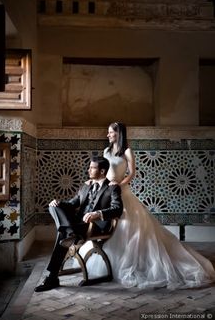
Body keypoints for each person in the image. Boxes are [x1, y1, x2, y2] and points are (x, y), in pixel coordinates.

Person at [87, 122, 215, 290]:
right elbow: (102, 172)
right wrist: (95, 181)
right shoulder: (106, 151)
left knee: (128, 227)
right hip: (107, 193)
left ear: (119, 134)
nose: (108, 135)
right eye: (108, 132)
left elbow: (132, 173)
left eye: (111, 132)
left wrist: (119, 185)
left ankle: (133, 264)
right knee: (107, 221)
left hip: (121, 191)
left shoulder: (126, 151)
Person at [34, 155, 123, 292]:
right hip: (77, 224)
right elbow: (71, 204)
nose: (88, 170)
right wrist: (58, 202)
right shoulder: (85, 187)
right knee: (53, 207)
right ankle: (70, 232)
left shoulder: (112, 188)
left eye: (92, 168)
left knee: (62, 234)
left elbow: (118, 209)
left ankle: (52, 278)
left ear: (102, 171)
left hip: (94, 226)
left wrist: (97, 214)